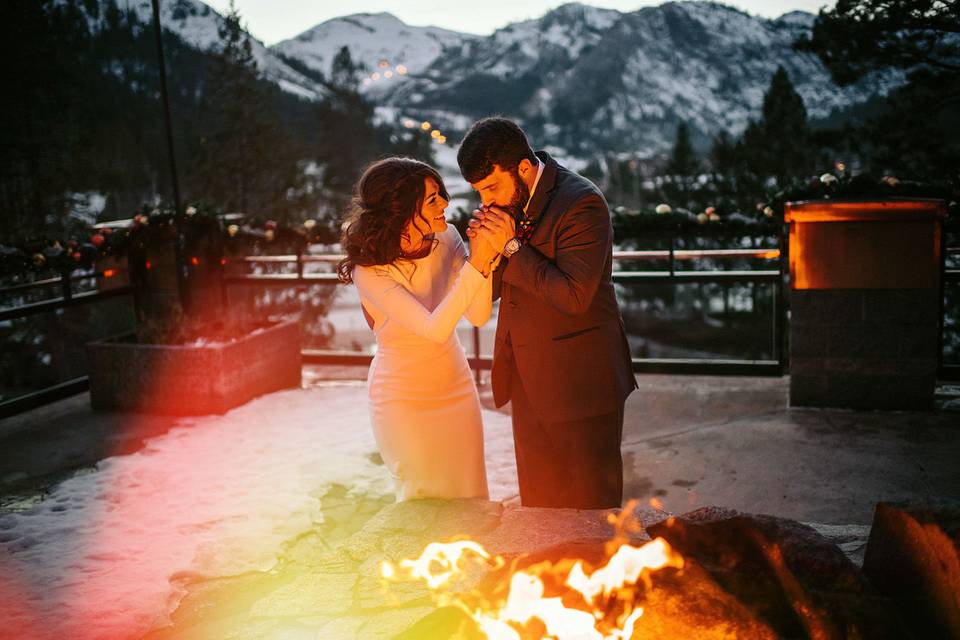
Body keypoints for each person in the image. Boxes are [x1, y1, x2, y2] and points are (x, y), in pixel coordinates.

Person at [459, 117, 637, 509]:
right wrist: (482, 253)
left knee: (592, 509)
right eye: (479, 192)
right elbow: (486, 295)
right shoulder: (507, 207)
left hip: (582, 383)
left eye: (491, 187)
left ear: (523, 167)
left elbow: (574, 295)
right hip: (527, 379)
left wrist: (509, 248)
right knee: (539, 510)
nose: (485, 201)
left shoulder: (581, 203)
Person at [338, 157, 500, 501]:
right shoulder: (370, 272)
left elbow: (478, 314)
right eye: (432, 199)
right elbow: (434, 328)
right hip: (403, 399)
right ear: (402, 210)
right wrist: (477, 263)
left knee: (471, 495)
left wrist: (482, 260)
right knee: (421, 501)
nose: (445, 202)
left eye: (441, 193)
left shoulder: (447, 237)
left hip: (456, 388)